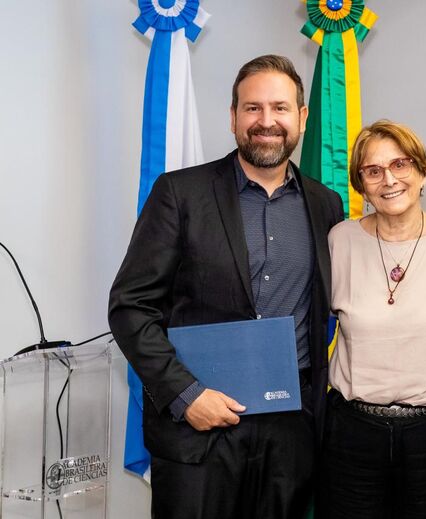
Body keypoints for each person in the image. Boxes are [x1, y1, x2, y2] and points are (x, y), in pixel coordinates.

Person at [108, 55, 344, 519]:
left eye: (279, 108)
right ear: (233, 117)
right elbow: (130, 306)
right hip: (198, 428)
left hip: (290, 430)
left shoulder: (326, 204)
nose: (266, 121)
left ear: (301, 117)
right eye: (252, 109)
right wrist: (185, 394)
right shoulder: (180, 193)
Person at [322, 120, 426, 518]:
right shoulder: (339, 239)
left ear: (422, 171)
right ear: (361, 185)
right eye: (373, 171)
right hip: (352, 434)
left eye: (401, 164)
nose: (388, 179)